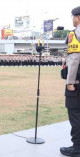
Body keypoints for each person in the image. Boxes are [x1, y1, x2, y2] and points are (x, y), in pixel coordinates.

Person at [60, 6, 80, 157]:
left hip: (77, 82)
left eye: (73, 17)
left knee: (75, 113)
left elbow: (74, 59)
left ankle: (77, 147)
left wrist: (70, 82)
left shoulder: (75, 34)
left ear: (78, 17)